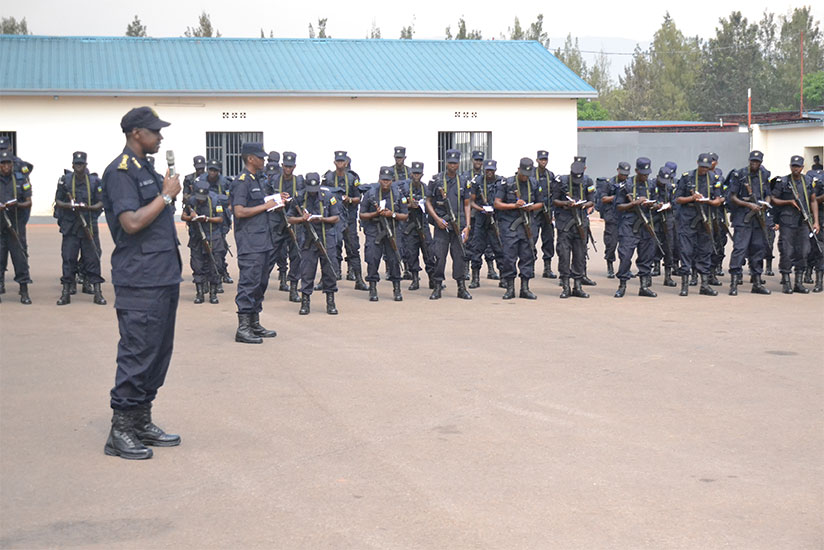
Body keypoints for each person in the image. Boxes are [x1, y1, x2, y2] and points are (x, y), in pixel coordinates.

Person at [100, 106, 182, 460]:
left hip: (162, 274)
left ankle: (141, 419)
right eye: (154, 131)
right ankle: (120, 429)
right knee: (137, 352)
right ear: (136, 133)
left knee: (158, 352)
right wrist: (164, 196)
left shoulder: (145, 168)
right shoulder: (120, 172)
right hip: (141, 279)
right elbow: (131, 222)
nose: (160, 136)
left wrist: (165, 195)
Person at [231, 142, 283, 344]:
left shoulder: (259, 180)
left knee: (261, 283)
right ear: (250, 158)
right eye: (260, 157)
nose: (264, 160)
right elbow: (239, 211)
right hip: (250, 242)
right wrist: (266, 205)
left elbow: (263, 205)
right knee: (249, 282)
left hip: (264, 240)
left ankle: (254, 322)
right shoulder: (242, 182)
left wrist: (276, 201)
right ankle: (242, 327)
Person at [54, 151, 106, 305]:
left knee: (93, 259)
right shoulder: (65, 181)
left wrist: (88, 208)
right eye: (76, 164)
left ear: (86, 165)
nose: (79, 167)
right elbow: (58, 201)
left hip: (88, 225)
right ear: (72, 165)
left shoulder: (95, 181)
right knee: (68, 259)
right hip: (70, 227)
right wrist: (71, 206)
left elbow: (101, 202)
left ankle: (98, 292)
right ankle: (66, 292)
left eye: (81, 164)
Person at [286, 172, 340, 315]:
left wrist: (322, 219)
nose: (312, 194)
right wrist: (302, 219)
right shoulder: (299, 197)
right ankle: (305, 302)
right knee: (307, 271)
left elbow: (336, 217)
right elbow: (289, 218)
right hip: (307, 239)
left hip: (326, 237)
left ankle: (330, 301)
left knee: (329, 270)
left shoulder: (328, 196)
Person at [674, 154, 723, 296]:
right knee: (686, 251)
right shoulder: (687, 177)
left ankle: (705, 285)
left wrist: (713, 202)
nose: (704, 170)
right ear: (697, 163)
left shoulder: (714, 179)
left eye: (707, 167)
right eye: (702, 166)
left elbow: (719, 198)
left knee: (705, 251)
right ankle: (684, 285)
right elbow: (677, 198)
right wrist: (691, 198)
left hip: (706, 219)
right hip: (688, 219)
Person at [425, 149, 472, 300]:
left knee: (460, 257)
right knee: (439, 256)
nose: (453, 166)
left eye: (455, 163)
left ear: (459, 164)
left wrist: (468, 226)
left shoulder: (464, 181)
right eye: (450, 163)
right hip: (442, 226)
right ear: (446, 163)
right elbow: (428, 202)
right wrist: (437, 219)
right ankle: (437, 286)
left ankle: (461, 287)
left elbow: (467, 204)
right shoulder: (436, 180)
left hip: (458, 224)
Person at [493, 158, 543, 299]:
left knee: (527, 256)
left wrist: (530, 207)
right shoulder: (507, 183)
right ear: (519, 169)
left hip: (527, 224)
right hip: (510, 226)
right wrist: (514, 206)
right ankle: (509, 288)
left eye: (528, 174)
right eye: (523, 173)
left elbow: (541, 203)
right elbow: (497, 204)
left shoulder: (534, 183)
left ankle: (525, 288)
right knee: (509, 257)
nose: (525, 177)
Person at [771, 155, 819, 294]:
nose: (795, 169)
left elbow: (813, 201)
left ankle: (798, 282)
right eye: (793, 166)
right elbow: (773, 199)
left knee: (804, 251)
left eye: (798, 166)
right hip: (787, 222)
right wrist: (788, 202)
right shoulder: (784, 181)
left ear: (803, 167)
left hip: (803, 222)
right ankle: (786, 282)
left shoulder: (808, 181)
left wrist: (815, 221)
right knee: (787, 251)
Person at [726, 151, 772, 295]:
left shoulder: (764, 175)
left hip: (758, 218)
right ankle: (734, 283)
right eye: (752, 161)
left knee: (758, 249)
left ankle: (757, 282)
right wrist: (748, 205)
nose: (754, 164)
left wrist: (766, 204)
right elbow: (732, 197)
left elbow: (768, 195)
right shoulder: (739, 175)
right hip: (743, 217)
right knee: (740, 249)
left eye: (757, 162)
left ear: (761, 162)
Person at [360, 167, 409, 301]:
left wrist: (391, 214)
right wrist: (375, 214)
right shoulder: (370, 194)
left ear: (392, 180)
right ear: (379, 179)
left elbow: (405, 215)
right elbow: (362, 214)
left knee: (394, 258)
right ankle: (373, 288)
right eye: (383, 180)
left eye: (388, 180)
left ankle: (397, 289)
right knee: (372, 258)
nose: (385, 183)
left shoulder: (398, 194)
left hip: (392, 229)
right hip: (374, 230)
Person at [612, 157, 658, 298]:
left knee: (646, 256)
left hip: (646, 224)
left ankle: (644, 286)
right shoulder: (626, 185)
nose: (645, 176)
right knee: (625, 256)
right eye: (643, 173)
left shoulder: (651, 185)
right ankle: (622, 285)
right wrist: (635, 203)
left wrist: (654, 205)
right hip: (629, 226)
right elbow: (618, 206)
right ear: (637, 171)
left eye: (647, 173)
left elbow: (657, 201)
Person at [324, 151, 366, 290]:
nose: (340, 163)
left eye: (342, 161)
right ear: (334, 162)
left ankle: (358, 278)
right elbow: (323, 194)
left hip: (349, 217)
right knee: (333, 246)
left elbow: (358, 198)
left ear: (346, 162)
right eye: (338, 161)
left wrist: (349, 199)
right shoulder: (328, 177)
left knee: (353, 247)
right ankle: (332, 275)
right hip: (335, 217)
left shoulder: (352, 178)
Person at [552, 161, 595, 298]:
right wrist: (566, 203)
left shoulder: (588, 181)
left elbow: (592, 200)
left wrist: (583, 205)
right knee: (564, 255)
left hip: (581, 222)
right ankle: (565, 286)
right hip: (565, 223)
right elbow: (554, 200)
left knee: (580, 255)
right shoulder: (562, 181)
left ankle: (578, 286)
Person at [181, 179, 225, 304]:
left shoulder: (216, 200)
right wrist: (191, 217)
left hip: (213, 237)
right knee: (197, 265)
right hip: (196, 238)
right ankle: (199, 293)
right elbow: (183, 216)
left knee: (215, 265)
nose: (200, 200)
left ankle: (213, 293)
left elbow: (220, 218)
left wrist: (207, 219)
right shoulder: (191, 201)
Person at [270, 152, 304, 301]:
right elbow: (266, 199)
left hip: (293, 221)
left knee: (296, 254)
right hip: (277, 220)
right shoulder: (274, 180)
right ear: (282, 165)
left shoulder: (300, 182)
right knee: (273, 253)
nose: (288, 169)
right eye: (285, 166)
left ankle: (294, 288)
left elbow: (303, 199)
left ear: (294, 167)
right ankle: (273, 282)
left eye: (290, 166)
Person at [0, 149, 32, 304]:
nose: (6, 166)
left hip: (16, 225)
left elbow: (29, 201)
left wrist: (17, 204)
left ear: (12, 164)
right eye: (3, 164)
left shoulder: (20, 180)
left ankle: (24, 290)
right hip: (0, 226)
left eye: (8, 163)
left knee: (19, 259)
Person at [398, 161, 436, 291]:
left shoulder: (426, 188)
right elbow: (399, 204)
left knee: (429, 251)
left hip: (423, 223)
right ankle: (415, 279)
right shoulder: (403, 188)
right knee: (411, 253)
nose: (416, 176)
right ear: (410, 173)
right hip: (409, 224)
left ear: (422, 174)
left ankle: (432, 278)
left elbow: (431, 204)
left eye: (418, 173)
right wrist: (409, 205)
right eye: (414, 173)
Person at [468, 159, 504, 290]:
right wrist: (481, 209)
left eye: (492, 170)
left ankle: (504, 278)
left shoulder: (501, 181)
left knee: (499, 249)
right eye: (487, 170)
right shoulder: (477, 181)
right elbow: (470, 202)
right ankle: (475, 278)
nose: (489, 173)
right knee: (476, 249)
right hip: (481, 219)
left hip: (496, 219)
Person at [199, 159, 233, 290]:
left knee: (220, 249)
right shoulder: (201, 180)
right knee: (204, 250)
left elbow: (231, 197)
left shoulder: (225, 182)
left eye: (215, 170)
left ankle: (220, 274)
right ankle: (207, 278)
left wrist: (229, 209)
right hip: (205, 216)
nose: (212, 173)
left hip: (221, 217)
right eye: (210, 170)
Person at [597, 162, 629, 279]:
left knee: (626, 245)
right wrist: (618, 197)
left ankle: (624, 268)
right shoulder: (609, 183)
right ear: (617, 170)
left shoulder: (629, 183)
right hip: (612, 216)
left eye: (626, 174)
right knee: (611, 243)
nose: (624, 176)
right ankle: (610, 265)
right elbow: (603, 198)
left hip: (625, 217)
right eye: (622, 174)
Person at [649, 166, 679, 288]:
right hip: (654, 220)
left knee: (669, 248)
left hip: (667, 220)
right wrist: (654, 205)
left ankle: (668, 276)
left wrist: (669, 205)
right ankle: (647, 275)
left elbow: (676, 202)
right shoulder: (650, 186)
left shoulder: (671, 187)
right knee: (650, 247)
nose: (663, 184)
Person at [534, 150, 557, 279]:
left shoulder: (550, 175)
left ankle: (547, 268)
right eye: (541, 159)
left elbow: (553, 194)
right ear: (537, 160)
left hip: (547, 212)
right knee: (531, 239)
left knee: (548, 240)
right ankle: (529, 265)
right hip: (534, 212)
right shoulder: (531, 174)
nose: (543, 161)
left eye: (545, 159)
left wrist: (552, 212)